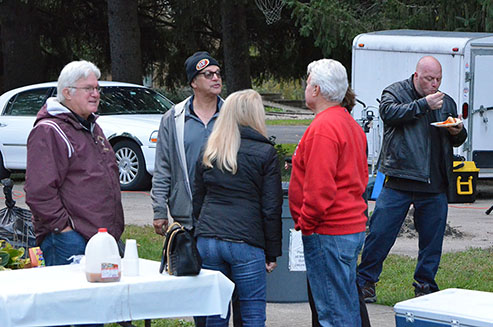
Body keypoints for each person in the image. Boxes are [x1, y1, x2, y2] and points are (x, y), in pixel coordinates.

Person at [357, 56, 468, 302]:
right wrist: (423, 105)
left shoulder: (445, 101)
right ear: (417, 76)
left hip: (435, 181)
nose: (434, 84)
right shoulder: (395, 92)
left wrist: (458, 131)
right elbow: (389, 114)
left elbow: (458, 138)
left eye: (438, 79)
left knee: (432, 241)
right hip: (400, 177)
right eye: (430, 79)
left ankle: (425, 285)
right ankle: (365, 281)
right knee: (380, 233)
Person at [151, 51, 244, 327]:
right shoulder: (174, 118)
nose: (216, 78)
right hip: (190, 218)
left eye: (218, 73)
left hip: (228, 217)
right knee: (200, 295)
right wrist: (159, 210)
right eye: (208, 74)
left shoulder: (232, 113)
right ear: (194, 81)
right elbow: (163, 167)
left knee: (234, 291)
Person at [289, 59, 368, 326]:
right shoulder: (348, 123)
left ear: (317, 90)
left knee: (334, 314)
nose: (306, 85)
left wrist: (306, 224)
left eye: (308, 81)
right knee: (344, 305)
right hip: (346, 227)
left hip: (329, 230)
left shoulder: (324, 128)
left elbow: (320, 188)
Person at [192, 89, 282, 326]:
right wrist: (272, 252)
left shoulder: (210, 150)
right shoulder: (265, 153)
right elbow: (271, 208)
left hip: (209, 239)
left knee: (215, 313)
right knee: (252, 313)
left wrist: (200, 232)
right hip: (246, 240)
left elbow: (198, 199)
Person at [25, 60, 124, 267]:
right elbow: (39, 192)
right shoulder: (49, 130)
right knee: (70, 299)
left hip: (101, 239)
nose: (95, 94)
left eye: (97, 88)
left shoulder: (90, 126)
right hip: (69, 241)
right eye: (88, 88)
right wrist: (64, 230)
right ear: (67, 93)